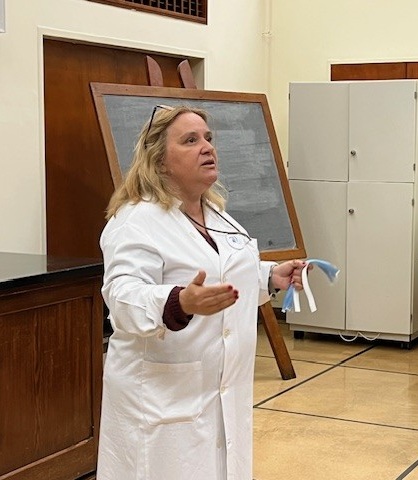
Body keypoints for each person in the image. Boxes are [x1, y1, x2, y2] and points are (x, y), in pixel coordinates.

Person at [97, 104, 307, 480]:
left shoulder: (219, 217)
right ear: (160, 161)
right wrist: (177, 302)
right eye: (190, 140)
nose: (207, 147)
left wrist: (269, 277)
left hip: (220, 393)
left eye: (208, 138)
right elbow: (122, 296)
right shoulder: (135, 221)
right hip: (162, 398)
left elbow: (225, 273)